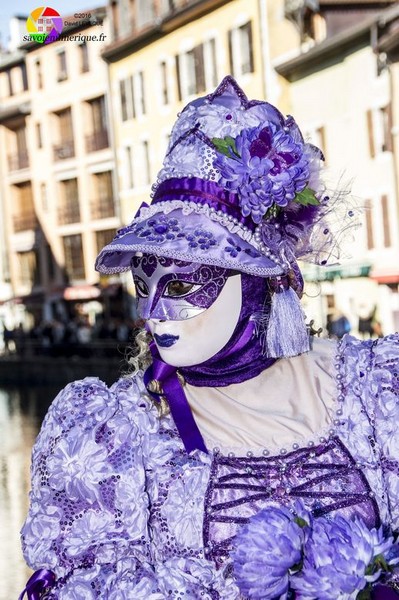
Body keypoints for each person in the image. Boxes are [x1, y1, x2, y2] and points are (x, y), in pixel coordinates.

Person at [20, 77, 399, 599]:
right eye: (143, 282)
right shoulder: (113, 434)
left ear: (260, 283)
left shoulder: (377, 389)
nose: (151, 312)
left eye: (180, 283)